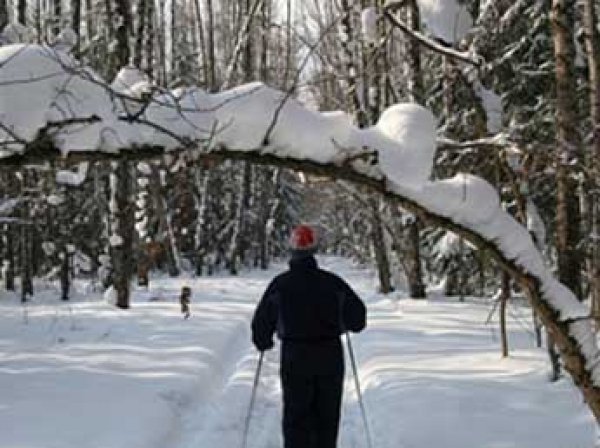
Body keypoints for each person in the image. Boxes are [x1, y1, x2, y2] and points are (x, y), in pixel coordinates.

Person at [251, 224, 366, 448]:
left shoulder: (280, 284)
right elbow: (358, 320)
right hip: (330, 356)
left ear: (291, 250)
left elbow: (261, 324)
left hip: (295, 356)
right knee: (327, 414)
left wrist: (263, 340)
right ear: (314, 249)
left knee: (296, 414)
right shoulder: (333, 283)